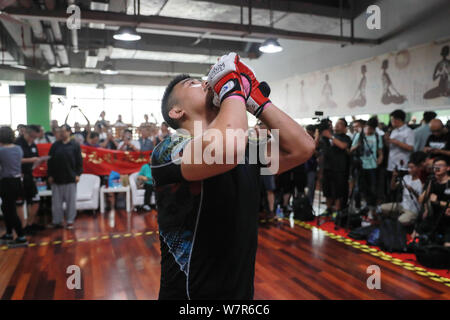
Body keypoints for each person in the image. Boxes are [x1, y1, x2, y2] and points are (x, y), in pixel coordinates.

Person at [150, 53, 315, 299]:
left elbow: (302, 147)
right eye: (194, 83)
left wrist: (257, 100)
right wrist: (231, 89)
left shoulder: (244, 147)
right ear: (176, 111)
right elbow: (225, 150)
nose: (206, 83)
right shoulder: (168, 150)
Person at [47, 124, 83, 230]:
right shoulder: (55, 145)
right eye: (60, 131)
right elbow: (50, 161)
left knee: (70, 202)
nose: (62, 133)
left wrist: (78, 174)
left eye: (64, 131)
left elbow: (79, 162)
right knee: (56, 203)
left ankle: (70, 221)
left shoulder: (75, 145)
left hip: (70, 178)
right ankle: (57, 221)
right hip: (56, 178)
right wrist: (50, 175)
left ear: (69, 132)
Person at [351, 117, 383, 219]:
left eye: (371, 129)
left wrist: (380, 159)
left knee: (372, 189)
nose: (369, 131)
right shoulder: (359, 136)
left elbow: (380, 152)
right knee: (358, 188)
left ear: (374, 129)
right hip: (360, 165)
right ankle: (357, 207)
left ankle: (370, 209)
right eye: (367, 128)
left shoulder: (377, 136)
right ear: (365, 127)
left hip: (372, 166)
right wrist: (357, 145)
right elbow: (351, 149)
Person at [414, 157, 450, 247]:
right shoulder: (432, 181)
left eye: (440, 166)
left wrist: (437, 202)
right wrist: (430, 182)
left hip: (446, 218)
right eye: (435, 166)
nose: (437, 168)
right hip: (432, 216)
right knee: (415, 239)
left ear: (448, 168)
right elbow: (421, 200)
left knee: (446, 247)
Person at [0, 126, 27, 245]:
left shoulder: (1, 151)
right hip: (17, 182)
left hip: (7, 182)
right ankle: (9, 233)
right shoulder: (18, 148)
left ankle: (21, 236)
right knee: (6, 208)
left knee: (10, 210)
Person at [15, 125, 43, 235]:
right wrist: (30, 160)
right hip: (19, 176)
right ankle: (22, 226)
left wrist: (38, 161)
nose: (33, 139)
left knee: (36, 200)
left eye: (35, 137)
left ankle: (30, 224)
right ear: (27, 133)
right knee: (20, 202)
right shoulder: (18, 144)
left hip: (29, 175)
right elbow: (15, 160)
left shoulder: (33, 144)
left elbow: (36, 157)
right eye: (32, 137)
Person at [320, 118, 352, 217]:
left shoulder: (346, 137)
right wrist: (319, 134)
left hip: (339, 168)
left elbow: (343, 146)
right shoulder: (327, 136)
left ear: (344, 127)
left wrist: (330, 136)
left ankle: (337, 210)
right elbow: (317, 146)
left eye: (340, 124)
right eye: (336, 123)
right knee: (327, 189)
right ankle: (328, 208)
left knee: (339, 190)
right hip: (327, 167)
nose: (337, 125)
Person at [380, 159, 423, 226]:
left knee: (400, 221)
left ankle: (411, 221)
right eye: (409, 167)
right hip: (402, 205)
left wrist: (412, 190)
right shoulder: (406, 177)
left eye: (412, 167)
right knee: (382, 207)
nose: (410, 169)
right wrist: (394, 177)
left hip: (413, 210)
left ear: (417, 168)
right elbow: (393, 187)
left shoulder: (419, 182)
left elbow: (420, 200)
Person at [384, 109, 414, 201]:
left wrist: (396, 141)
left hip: (402, 165)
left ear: (398, 120)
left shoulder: (408, 131)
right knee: (391, 189)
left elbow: (410, 148)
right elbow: (390, 146)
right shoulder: (393, 131)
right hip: (391, 164)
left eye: (392, 120)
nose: (391, 122)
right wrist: (387, 141)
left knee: (400, 190)